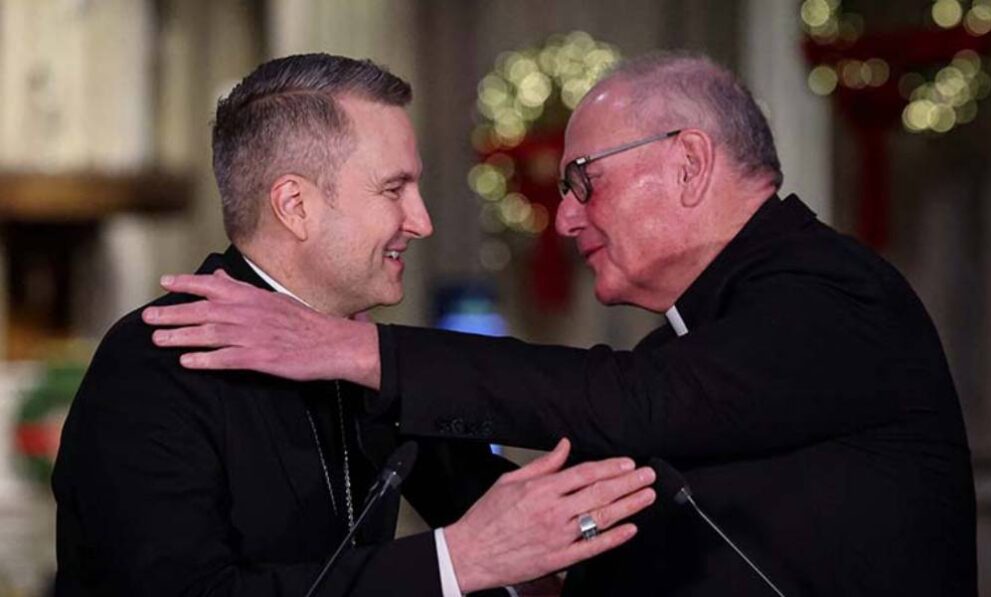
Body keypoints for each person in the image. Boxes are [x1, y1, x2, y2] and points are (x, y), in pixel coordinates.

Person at [145, 52, 978, 595]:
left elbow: (628, 403)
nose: (567, 218)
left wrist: (361, 351)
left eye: (582, 181)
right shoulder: (716, 329)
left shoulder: (831, 298)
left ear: (688, 163)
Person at [52, 54, 658, 597]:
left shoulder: (360, 353)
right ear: (295, 206)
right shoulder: (157, 360)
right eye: (394, 188)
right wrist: (457, 560)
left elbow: (497, 508)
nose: (421, 222)